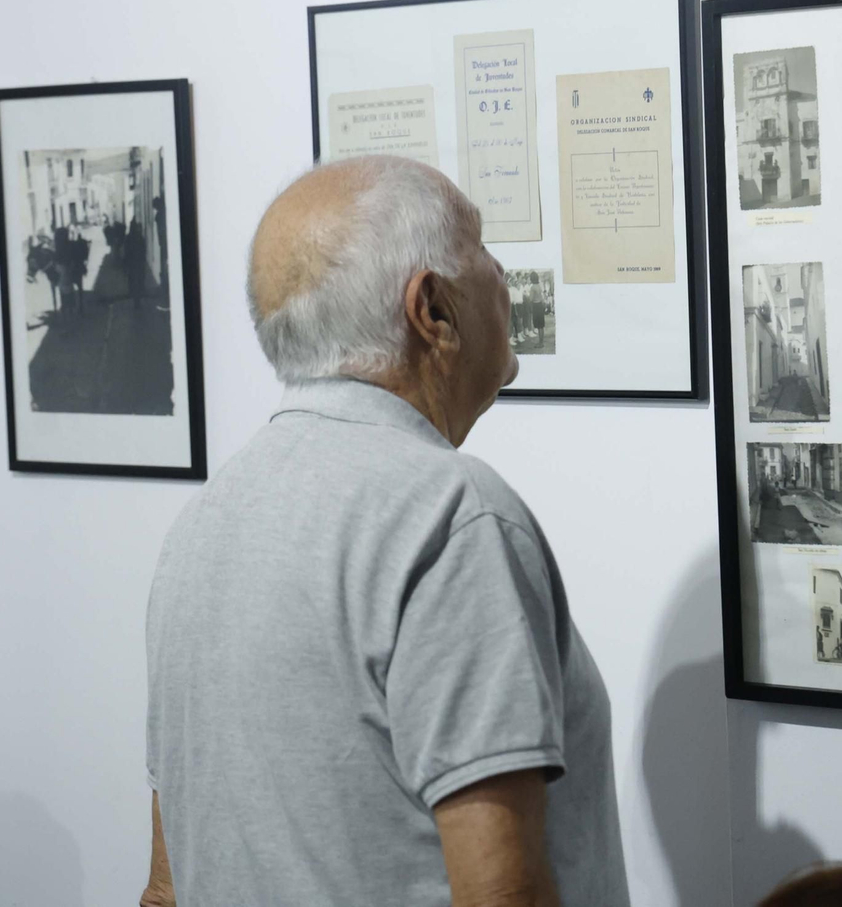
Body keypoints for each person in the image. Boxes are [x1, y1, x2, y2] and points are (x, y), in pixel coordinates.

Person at [143, 156, 628, 907]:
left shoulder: (204, 525)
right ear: (431, 309)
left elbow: (165, 888)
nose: (503, 274)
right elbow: (505, 895)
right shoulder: (450, 518)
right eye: (484, 247)